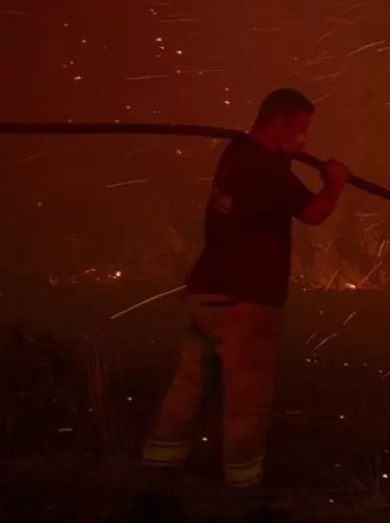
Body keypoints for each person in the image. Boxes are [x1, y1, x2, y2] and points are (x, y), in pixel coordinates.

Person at [137, 88, 347, 511]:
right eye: (302, 127)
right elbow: (313, 212)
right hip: (246, 303)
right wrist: (336, 181)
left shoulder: (237, 155)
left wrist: (284, 157)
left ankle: (155, 482)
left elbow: (266, 189)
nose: (305, 138)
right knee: (247, 404)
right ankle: (245, 498)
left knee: (186, 391)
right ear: (283, 122)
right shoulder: (266, 172)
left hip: (206, 295)